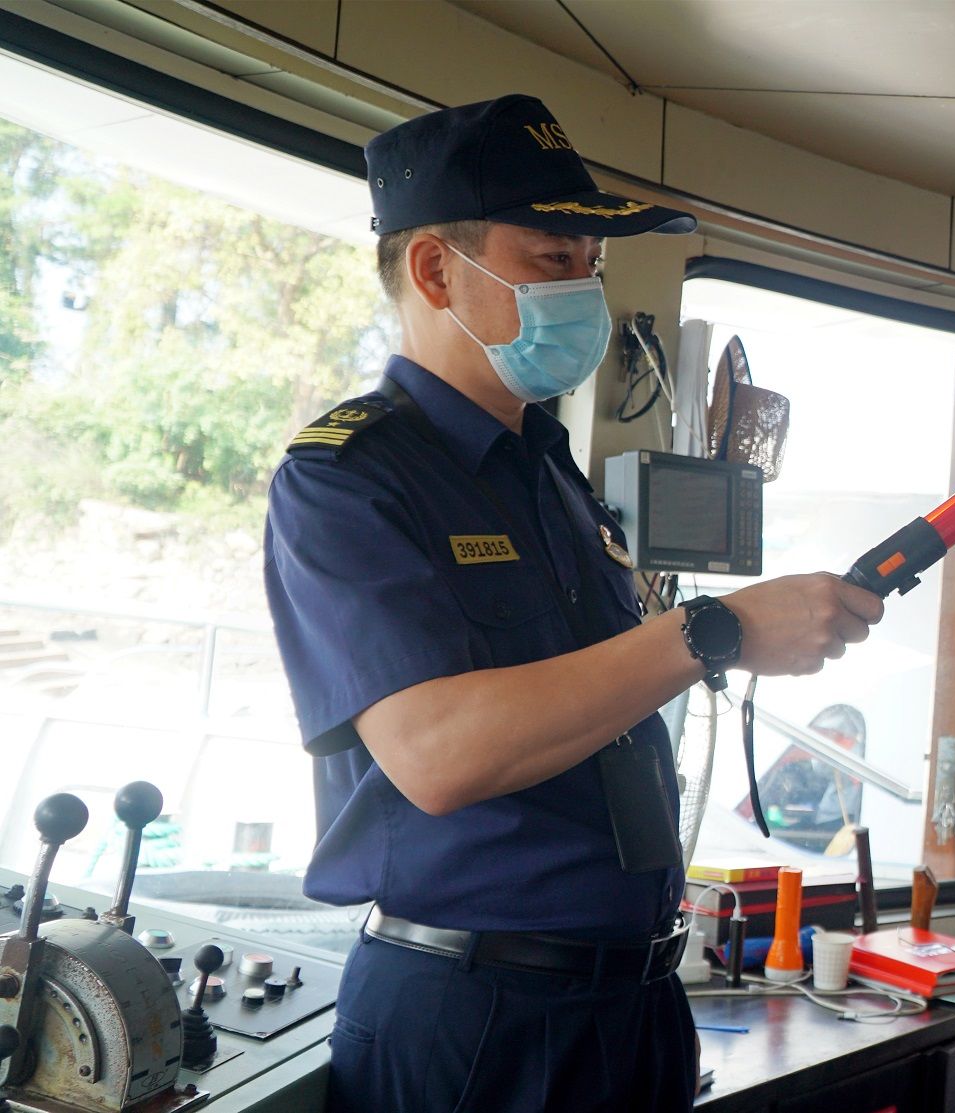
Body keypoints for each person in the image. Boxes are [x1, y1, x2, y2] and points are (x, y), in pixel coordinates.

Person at [263, 94, 884, 1113]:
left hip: (634, 1006)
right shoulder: (349, 479)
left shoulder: (551, 473)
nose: (584, 290)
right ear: (433, 270)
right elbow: (439, 753)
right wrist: (714, 632)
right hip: (478, 1016)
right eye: (555, 260)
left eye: (591, 267)